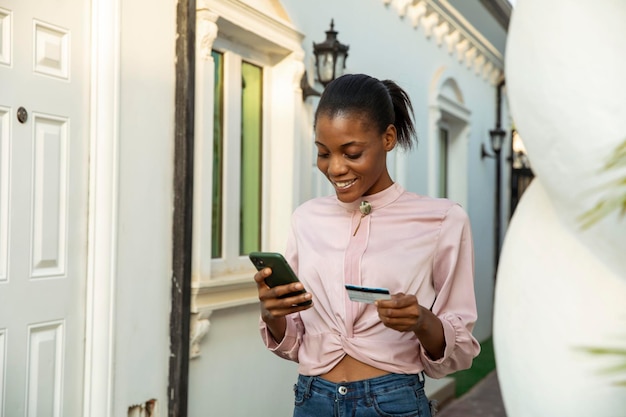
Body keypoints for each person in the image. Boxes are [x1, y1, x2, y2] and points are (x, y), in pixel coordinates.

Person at [254, 73, 480, 417]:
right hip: (312, 398)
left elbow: (459, 348)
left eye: (352, 152)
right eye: (323, 153)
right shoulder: (306, 219)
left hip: (391, 401)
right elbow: (296, 340)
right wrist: (273, 315)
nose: (335, 168)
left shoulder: (442, 220)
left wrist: (421, 319)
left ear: (388, 138)